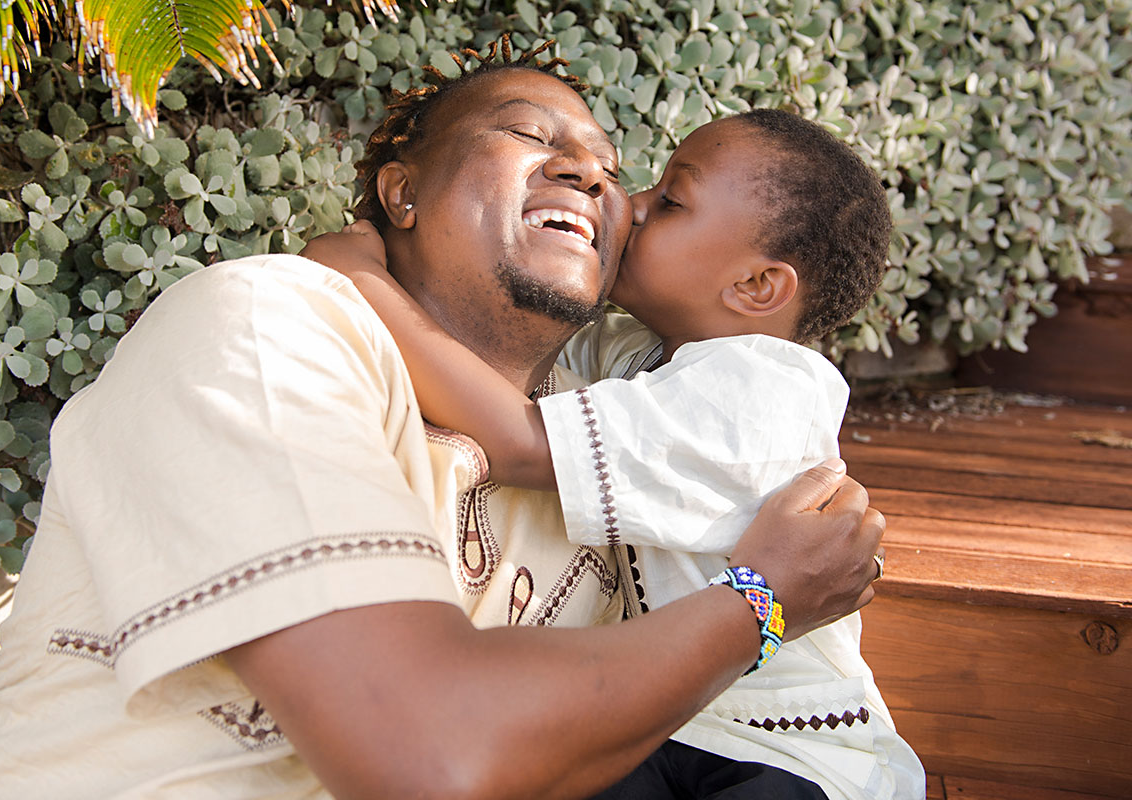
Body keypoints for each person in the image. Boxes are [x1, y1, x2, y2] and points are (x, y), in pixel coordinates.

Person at [0, 42, 887, 799]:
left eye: (619, 174)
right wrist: (760, 604)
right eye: (529, 133)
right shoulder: (275, 323)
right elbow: (429, 760)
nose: (598, 180)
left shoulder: (602, 429)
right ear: (404, 192)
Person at [307, 109, 925, 798]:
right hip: (670, 722)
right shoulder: (636, 352)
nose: (628, 206)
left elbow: (520, 441)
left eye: (669, 202)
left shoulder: (767, 390)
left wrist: (364, 285)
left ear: (756, 287)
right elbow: (491, 340)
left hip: (786, 747)